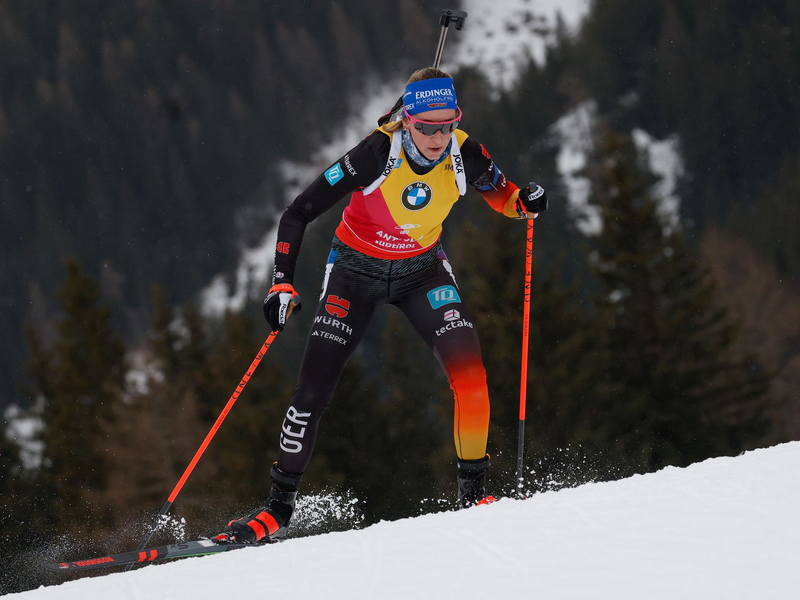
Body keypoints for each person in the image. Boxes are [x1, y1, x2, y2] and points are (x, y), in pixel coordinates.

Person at [217, 67, 548, 544]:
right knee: (311, 394)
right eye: (426, 126)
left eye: (447, 124)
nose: (438, 137)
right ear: (406, 119)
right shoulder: (375, 154)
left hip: (422, 272)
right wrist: (281, 284)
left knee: (471, 378)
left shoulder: (466, 154)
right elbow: (297, 213)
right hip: (354, 273)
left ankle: (473, 496)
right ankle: (276, 511)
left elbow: (505, 197)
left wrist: (526, 201)